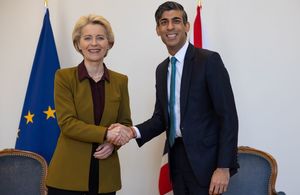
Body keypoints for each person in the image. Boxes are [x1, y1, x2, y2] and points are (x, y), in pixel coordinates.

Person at [109, 1, 239, 195]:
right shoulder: (162, 70)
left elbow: (228, 116)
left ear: (186, 26)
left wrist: (223, 167)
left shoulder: (209, 61)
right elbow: (161, 118)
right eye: (164, 22)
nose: (170, 27)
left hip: (207, 164)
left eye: (176, 21)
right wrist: (131, 131)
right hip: (176, 160)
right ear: (157, 30)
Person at [46, 14, 132, 195]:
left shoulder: (120, 81)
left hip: (105, 175)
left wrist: (113, 144)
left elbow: (124, 123)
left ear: (109, 43)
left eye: (100, 38)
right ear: (78, 44)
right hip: (67, 176)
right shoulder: (64, 77)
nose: (94, 43)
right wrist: (107, 134)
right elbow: (67, 123)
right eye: (87, 38)